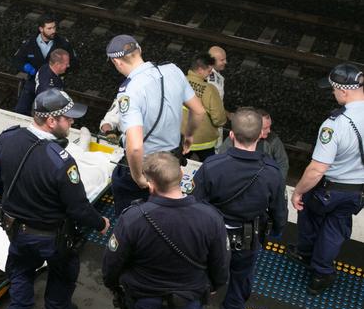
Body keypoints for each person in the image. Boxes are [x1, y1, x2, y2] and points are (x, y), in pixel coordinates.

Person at [102, 152, 229, 309]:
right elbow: (221, 262)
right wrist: (215, 285)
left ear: (150, 184)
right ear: (182, 176)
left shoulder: (133, 218)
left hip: (143, 298)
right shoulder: (210, 218)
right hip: (188, 298)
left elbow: (113, 262)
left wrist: (113, 285)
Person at [0, 89, 110, 309]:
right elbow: (78, 207)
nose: (72, 122)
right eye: (67, 118)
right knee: (62, 273)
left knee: (20, 271)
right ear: (51, 121)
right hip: (54, 237)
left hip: (17, 230)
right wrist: (101, 223)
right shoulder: (61, 162)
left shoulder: (8, 138)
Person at [191, 108, 287, 309]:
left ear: (232, 135)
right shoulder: (272, 173)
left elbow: (194, 203)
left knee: (201, 271)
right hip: (247, 235)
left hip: (212, 233)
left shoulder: (212, 165)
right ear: (259, 137)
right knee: (241, 276)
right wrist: (277, 229)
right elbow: (278, 211)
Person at [106, 34, 206, 215]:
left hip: (148, 165)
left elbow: (135, 147)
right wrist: (189, 136)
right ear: (140, 51)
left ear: (117, 62)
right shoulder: (173, 70)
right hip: (172, 160)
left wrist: (138, 178)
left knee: (124, 192)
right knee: (166, 205)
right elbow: (198, 111)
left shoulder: (129, 92)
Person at [287, 64, 364, 295]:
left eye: (333, 89)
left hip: (327, 190)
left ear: (344, 91)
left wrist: (298, 191)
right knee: (335, 229)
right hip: (357, 193)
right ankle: (321, 273)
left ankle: (307, 254)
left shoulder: (335, 124)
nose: (332, 93)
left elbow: (316, 169)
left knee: (309, 216)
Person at [13, 15, 78, 115]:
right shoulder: (29, 43)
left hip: (53, 83)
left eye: (54, 27)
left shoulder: (63, 44)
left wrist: (61, 72)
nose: (53, 31)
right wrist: (26, 67)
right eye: (49, 28)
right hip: (32, 80)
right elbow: (18, 60)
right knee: (21, 110)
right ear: (41, 29)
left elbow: (73, 62)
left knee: (49, 112)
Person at [217, 109, 290, 182]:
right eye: (265, 128)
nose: (269, 131)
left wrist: (277, 183)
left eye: (270, 126)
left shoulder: (273, 140)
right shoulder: (236, 138)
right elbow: (221, 161)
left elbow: (283, 163)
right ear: (256, 128)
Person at [182, 53, 227, 161]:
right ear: (200, 70)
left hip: (179, 138)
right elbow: (219, 119)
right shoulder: (209, 89)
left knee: (175, 164)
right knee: (210, 166)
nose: (211, 73)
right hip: (204, 142)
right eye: (209, 70)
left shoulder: (179, 80)